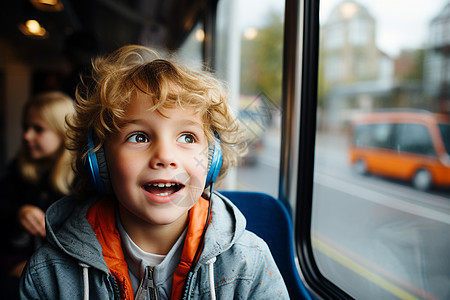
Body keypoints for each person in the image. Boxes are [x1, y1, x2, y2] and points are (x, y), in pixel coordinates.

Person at [19, 45, 289, 299]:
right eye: (139, 137)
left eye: (187, 137)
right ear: (99, 159)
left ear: (212, 158)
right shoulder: (49, 271)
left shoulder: (249, 263)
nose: (165, 157)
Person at [0, 91, 76, 299]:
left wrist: (36, 266)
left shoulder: (82, 180)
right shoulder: (18, 169)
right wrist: (19, 211)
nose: (26, 136)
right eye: (26, 127)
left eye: (38, 129)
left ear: (62, 132)